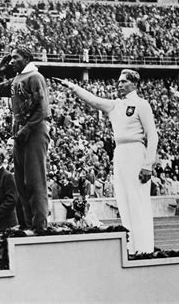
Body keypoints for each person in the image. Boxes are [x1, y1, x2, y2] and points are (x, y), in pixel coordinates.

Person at [55, 69, 158, 253]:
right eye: (118, 82)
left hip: (136, 150)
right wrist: (72, 86)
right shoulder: (115, 105)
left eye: (123, 82)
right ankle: (132, 246)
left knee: (137, 200)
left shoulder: (142, 105)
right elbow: (93, 100)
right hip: (120, 152)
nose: (119, 85)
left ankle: (145, 247)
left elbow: (152, 136)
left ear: (134, 84)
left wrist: (148, 164)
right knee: (124, 200)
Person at [0, 46, 50, 231]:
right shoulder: (16, 79)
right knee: (21, 181)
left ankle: (39, 225)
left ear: (27, 58)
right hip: (20, 132)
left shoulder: (35, 77)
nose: (12, 61)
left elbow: (42, 107)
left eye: (16, 58)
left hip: (34, 129)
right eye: (11, 58)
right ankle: (26, 223)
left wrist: (28, 128)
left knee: (35, 180)